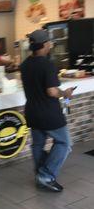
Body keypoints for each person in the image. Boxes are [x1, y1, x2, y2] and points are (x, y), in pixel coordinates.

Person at [20, 29, 74, 192]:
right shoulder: (47, 64)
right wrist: (65, 93)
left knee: (38, 145)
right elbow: (51, 91)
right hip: (49, 113)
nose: (50, 44)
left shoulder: (25, 64)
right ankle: (46, 175)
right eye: (49, 42)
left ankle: (40, 175)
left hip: (32, 112)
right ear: (44, 45)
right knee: (64, 143)